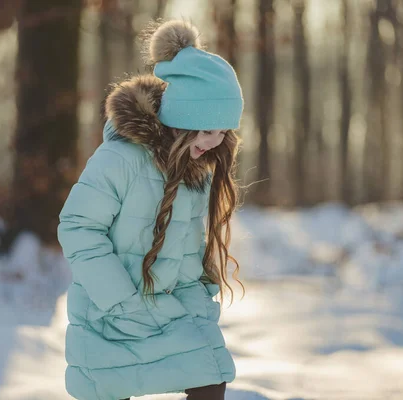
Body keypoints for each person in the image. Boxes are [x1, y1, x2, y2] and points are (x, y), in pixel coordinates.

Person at [58, 19, 244, 400]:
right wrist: (121, 301)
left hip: (169, 312)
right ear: (183, 118)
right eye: (207, 130)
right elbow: (78, 228)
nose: (214, 142)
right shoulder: (120, 159)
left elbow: (188, 255)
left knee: (211, 375)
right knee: (113, 384)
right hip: (111, 318)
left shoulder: (196, 171)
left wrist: (200, 308)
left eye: (223, 131)